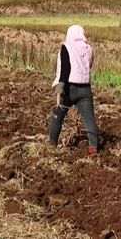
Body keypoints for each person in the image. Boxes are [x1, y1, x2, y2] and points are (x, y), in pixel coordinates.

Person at [48, 25, 99, 156]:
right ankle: (93, 148)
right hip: (85, 89)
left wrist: (60, 86)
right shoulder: (89, 49)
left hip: (69, 89)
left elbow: (65, 68)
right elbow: (90, 65)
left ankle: (52, 145)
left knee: (57, 116)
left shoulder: (66, 47)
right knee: (89, 120)